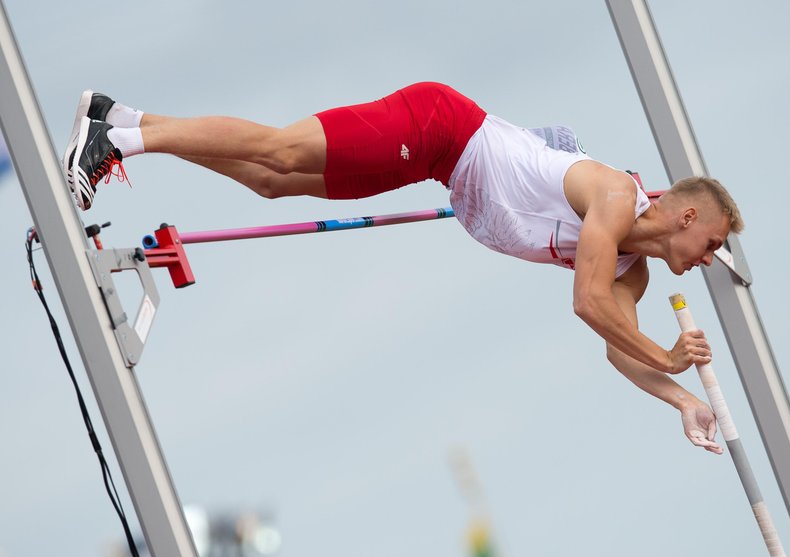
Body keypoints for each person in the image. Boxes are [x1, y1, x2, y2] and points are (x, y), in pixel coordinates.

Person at [63, 82, 743, 454]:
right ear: (687, 217)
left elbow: (615, 348)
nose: (708, 260)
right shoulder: (616, 198)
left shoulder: (636, 270)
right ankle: (120, 140)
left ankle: (122, 116)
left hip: (433, 162)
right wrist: (670, 355)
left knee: (270, 181)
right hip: (438, 126)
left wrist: (681, 398)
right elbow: (588, 305)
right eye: (712, 244)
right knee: (277, 150)